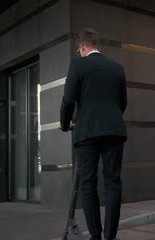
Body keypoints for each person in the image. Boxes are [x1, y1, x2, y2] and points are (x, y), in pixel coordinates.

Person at [59, 28, 127, 240]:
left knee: (88, 183)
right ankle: (110, 236)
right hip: (114, 130)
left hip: (87, 131)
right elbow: (122, 103)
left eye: (78, 49)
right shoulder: (117, 67)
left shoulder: (77, 64)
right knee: (113, 181)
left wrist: (64, 124)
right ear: (99, 46)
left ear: (82, 46)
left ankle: (95, 236)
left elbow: (68, 99)